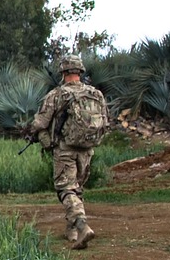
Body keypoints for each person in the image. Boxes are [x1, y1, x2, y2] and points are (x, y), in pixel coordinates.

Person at [28, 55, 110, 249]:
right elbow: (105, 122)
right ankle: (72, 231)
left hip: (65, 149)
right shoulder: (96, 94)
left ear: (63, 73)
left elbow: (40, 123)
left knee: (66, 188)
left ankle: (82, 226)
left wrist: (37, 135)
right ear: (80, 72)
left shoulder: (57, 95)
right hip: (87, 150)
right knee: (77, 188)